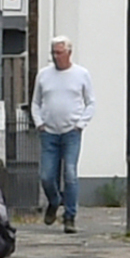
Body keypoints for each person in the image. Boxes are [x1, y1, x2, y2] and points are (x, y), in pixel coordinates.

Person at [31, 35, 95, 231]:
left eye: (59, 53)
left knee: (70, 173)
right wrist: (39, 123)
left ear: (69, 53)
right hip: (49, 132)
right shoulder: (44, 75)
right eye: (54, 53)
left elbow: (90, 102)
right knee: (46, 176)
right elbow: (35, 102)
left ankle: (70, 216)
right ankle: (54, 200)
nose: (56, 57)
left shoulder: (81, 74)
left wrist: (80, 124)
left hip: (71, 132)